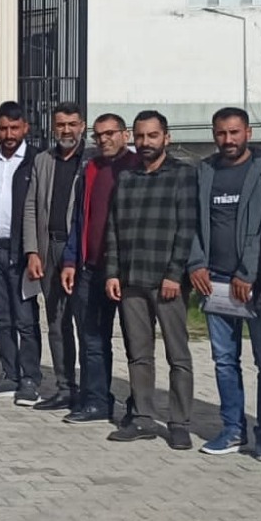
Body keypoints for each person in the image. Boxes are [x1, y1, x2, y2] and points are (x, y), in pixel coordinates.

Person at [191, 108, 261, 457]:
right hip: (214, 282)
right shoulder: (204, 171)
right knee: (224, 361)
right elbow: (192, 221)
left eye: (234, 132)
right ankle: (232, 429)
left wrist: (248, 271)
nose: (228, 140)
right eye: (221, 133)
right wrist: (196, 263)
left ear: (248, 132)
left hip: (257, 284)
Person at [103, 111, 198, 449]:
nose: (146, 142)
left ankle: (179, 422)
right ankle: (143, 417)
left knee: (177, 355)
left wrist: (175, 274)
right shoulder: (127, 178)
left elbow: (187, 229)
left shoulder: (183, 175)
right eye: (140, 136)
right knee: (138, 354)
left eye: (152, 136)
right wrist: (112, 272)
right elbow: (113, 229)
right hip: (131, 279)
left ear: (166, 138)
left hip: (167, 282)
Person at [59, 113, 139, 426]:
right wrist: (70, 260)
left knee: (135, 343)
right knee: (92, 339)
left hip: (128, 273)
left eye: (110, 133)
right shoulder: (90, 168)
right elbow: (79, 219)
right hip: (90, 269)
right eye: (99, 135)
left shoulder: (137, 167)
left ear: (125, 135)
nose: (104, 140)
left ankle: (139, 406)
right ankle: (96, 401)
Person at [20, 103, 87, 410]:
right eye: (60, 125)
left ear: (82, 126)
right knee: (57, 323)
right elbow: (31, 206)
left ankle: (91, 390)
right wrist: (32, 251)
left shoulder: (91, 161)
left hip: (82, 253)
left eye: (72, 124)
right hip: (50, 249)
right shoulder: (44, 160)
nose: (66, 130)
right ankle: (64, 387)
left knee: (85, 325)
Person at [0, 102, 41, 403]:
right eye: (3, 128)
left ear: (25, 127)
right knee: (1, 317)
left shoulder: (36, 161)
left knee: (25, 318)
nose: (9, 134)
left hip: (22, 252)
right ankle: (10, 374)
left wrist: (33, 251)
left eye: (14, 128)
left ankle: (30, 378)